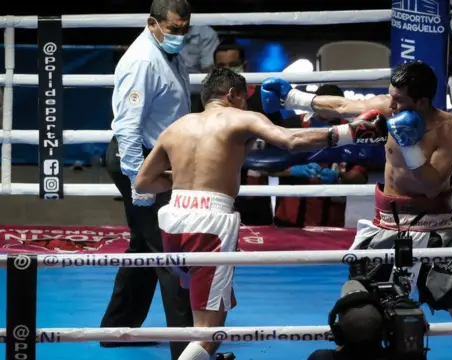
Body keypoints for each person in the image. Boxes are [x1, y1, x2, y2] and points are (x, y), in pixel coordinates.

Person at [132, 67, 388, 360]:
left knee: (210, 315)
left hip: (172, 218)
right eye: (243, 99)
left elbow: (143, 182)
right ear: (233, 95)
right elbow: (291, 141)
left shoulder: (176, 127)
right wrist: (350, 132)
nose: (245, 105)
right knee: (208, 334)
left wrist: (182, 177)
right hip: (209, 224)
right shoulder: (242, 118)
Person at [260, 61, 452, 360]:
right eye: (391, 95)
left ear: (421, 101)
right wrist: (294, 98)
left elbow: (431, 185)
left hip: (433, 228)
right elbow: (341, 105)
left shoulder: (450, 128)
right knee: (358, 303)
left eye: (399, 99)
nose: (391, 104)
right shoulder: (388, 108)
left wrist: (410, 146)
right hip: (386, 225)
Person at [101, 1, 193, 359]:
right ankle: (188, 346)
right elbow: (127, 127)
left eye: (185, 29)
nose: (180, 35)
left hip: (157, 159)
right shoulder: (142, 60)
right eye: (174, 28)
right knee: (170, 249)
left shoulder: (166, 52)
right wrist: (139, 179)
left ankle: (117, 329)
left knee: (144, 245)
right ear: (152, 23)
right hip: (139, 159)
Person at [207, 38, 279, 225]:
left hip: (256, 193)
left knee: (258, 247)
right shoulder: (205, 102)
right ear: (214, 69)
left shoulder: (264, 101)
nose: (228, 70)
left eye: (233, 65)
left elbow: (278, 147)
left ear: (244, 66)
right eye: (222, 66)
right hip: (216, 192)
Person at [274, 84, 368, 227]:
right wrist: (293, 170)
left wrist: (340, 177)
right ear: (316, 104)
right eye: (326, 106)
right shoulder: (292, 125)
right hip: (290, 217)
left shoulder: (353, 131)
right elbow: (270, 167)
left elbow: (361, 176)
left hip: (331, 219)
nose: (330, 111)